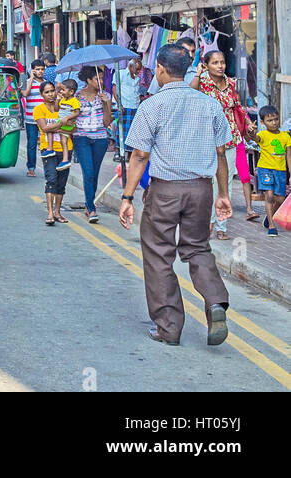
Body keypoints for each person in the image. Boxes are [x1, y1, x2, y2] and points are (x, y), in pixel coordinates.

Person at [119, 42, 232, 347]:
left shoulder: (151, 105)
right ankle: (216, 303)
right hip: (201, 189)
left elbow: (140, 155)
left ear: (159, 68)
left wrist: (127, 198)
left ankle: (169, 327)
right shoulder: (210, 105)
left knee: (158, 254)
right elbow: (221, 152)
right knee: (197, 248)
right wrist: (223, 194)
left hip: (165, 189)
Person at [190, 49, 253, 238]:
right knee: (208, 181)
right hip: (207, 139)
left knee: (225, 182)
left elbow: (238, 107)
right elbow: (190, 94)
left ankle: (221, 226)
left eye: (222, 62)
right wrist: (198, 73)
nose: (220, 66)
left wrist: (248, 124)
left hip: (230, 138)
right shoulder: (201, 83)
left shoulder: (231, 83)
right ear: (206, 65)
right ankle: (208, 222)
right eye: (215, 63)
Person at [72, 65, 112, 223]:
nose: (101, 81)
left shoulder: (105, 96)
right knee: (88, 172)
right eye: (98, 79)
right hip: (81, 137)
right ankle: (91, 207)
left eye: (102, 78)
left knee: (94, 174)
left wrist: (106, 104)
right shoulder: (76, 96)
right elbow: (71, 117)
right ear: (88, 80)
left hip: (100, 138)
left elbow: (107, 121)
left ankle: (89, 205)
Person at [33, 81, 73, 224]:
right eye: (47, 92)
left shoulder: (64, 108)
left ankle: (57, 212)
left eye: (52, 91)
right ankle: (50, 213)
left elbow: (72, 128)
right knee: (51, 180)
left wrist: (55, 127)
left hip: (65, 148)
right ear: (42, 94)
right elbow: (44, 128)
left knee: (62, 182)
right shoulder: (38, 109)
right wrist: (61, 125)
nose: (50, 94)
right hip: (48, 149)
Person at [254, 106, 289, 236]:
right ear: (263, 122)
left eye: (276, 119)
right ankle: (272, 226)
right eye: (270, 120)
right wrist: (251, 133)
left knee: (280, 198)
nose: (274, 122)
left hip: (280, 171)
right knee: (269, 195)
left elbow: (288, 156)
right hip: (265, 168)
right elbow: (255, 139)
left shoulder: (286, 136)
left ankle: (269, 217)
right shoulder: (262, 135)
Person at [19, 58, 48, 178]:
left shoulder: (46, 83)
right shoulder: (27, 82)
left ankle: (48, 168)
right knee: (31, 144)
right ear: (33, 70)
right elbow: (25, 93)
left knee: (46, 143)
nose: (40, 71)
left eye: (42, 69)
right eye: (37, 69)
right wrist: (31, 78)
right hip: (31, 119)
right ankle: (31, 168)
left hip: (44, 119)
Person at [46, 79, 79, 172]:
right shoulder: (62, 99)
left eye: (63, 90)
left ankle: (52, 150)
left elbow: (77, 112)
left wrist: (67, 118)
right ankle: (63, 158)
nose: (61, 91)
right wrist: (58, 100)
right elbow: (56, 109)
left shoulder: (74, 101)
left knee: (50, 130)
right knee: (62, 141)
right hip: (61, 122)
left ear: (71, 92)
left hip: (67, 123)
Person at [112, 57, 144, 145]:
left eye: (139, 70)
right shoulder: (120, 73)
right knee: (121, 131)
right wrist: (119, 104)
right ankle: (119, 152)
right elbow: (114, 89)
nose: (138, 72)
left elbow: (135, 93)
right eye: (137, 69)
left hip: (135, 107)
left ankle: (129, 154)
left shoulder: (137, 78)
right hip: (124, 107)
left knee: (132, 132)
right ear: (130, 66)